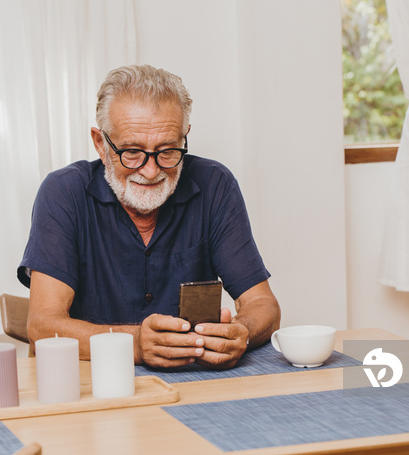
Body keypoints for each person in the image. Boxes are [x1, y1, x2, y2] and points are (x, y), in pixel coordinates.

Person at [18, 65, 280, 369]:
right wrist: (135, 344)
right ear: (101, 144)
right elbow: (42, 327)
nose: (151, 170)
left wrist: (242, 333)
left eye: (168, 150)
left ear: (184, 137)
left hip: (197, 384)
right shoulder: (62, 193)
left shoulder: (215, 184)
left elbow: (263, 305)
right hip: (94, 384)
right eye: (132, 151)